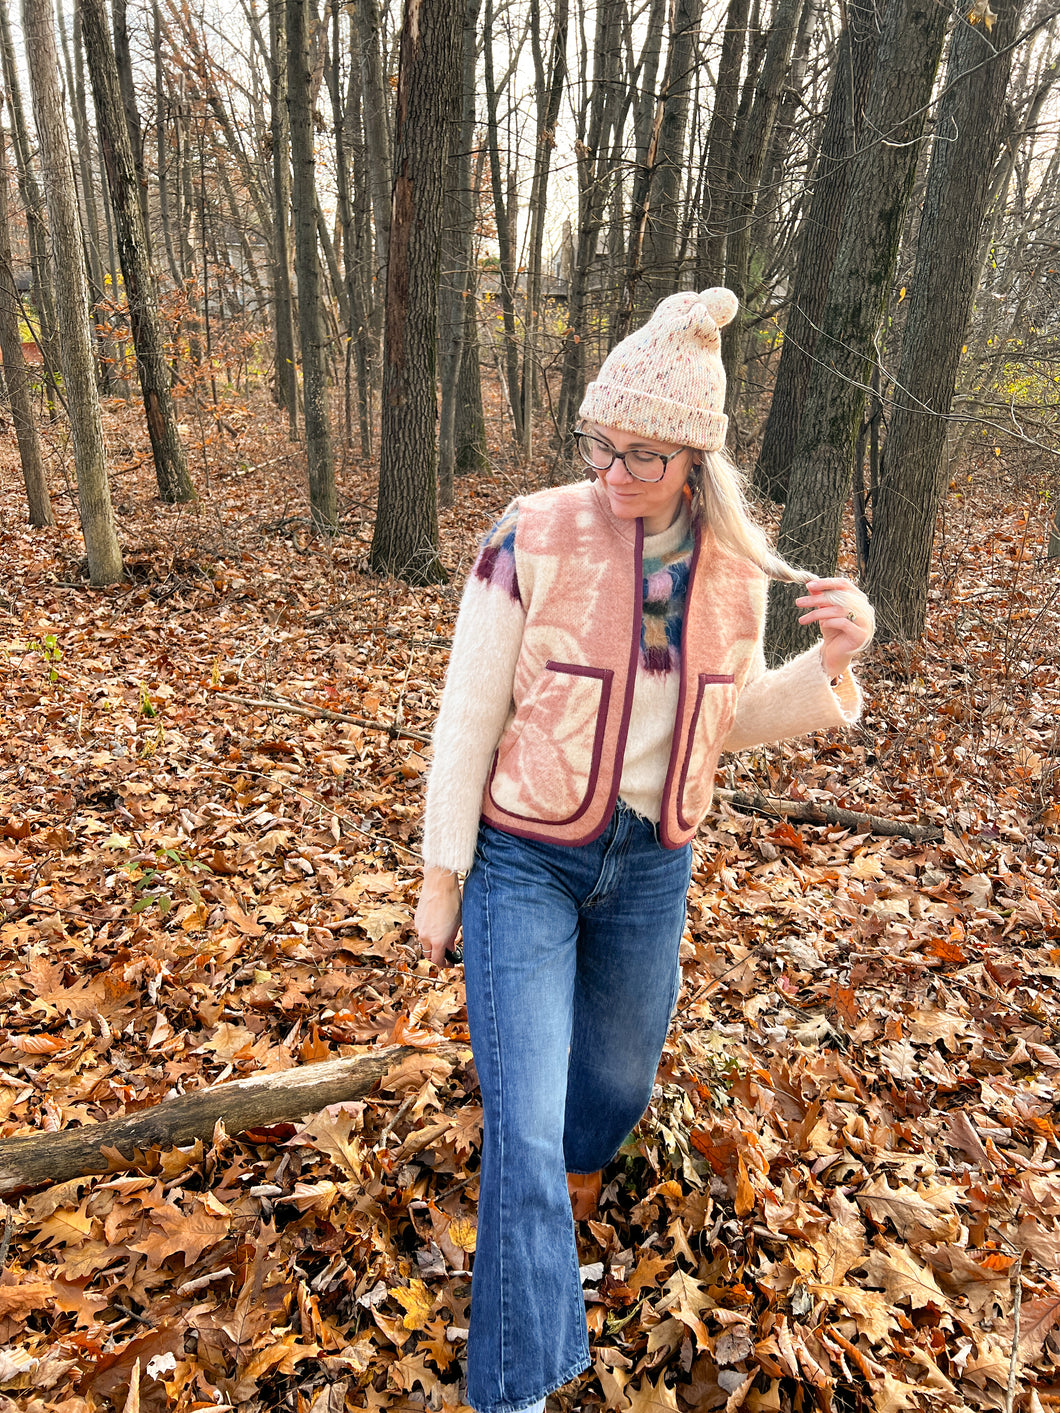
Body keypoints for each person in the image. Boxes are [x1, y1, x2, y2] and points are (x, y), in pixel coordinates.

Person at [414, 288, 874, 1413]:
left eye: (645, 458)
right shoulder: (529, 532)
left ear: (696, 461)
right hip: (524, 858)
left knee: (610, 1086)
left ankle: (558, 1204)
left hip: (649, 867)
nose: (615, 474)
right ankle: (515, 1380)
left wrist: (833, 666)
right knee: (518, 1121)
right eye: (602, 447)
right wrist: (442, 883)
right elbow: (467, 717)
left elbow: (728, 714)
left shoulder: (728, 567)